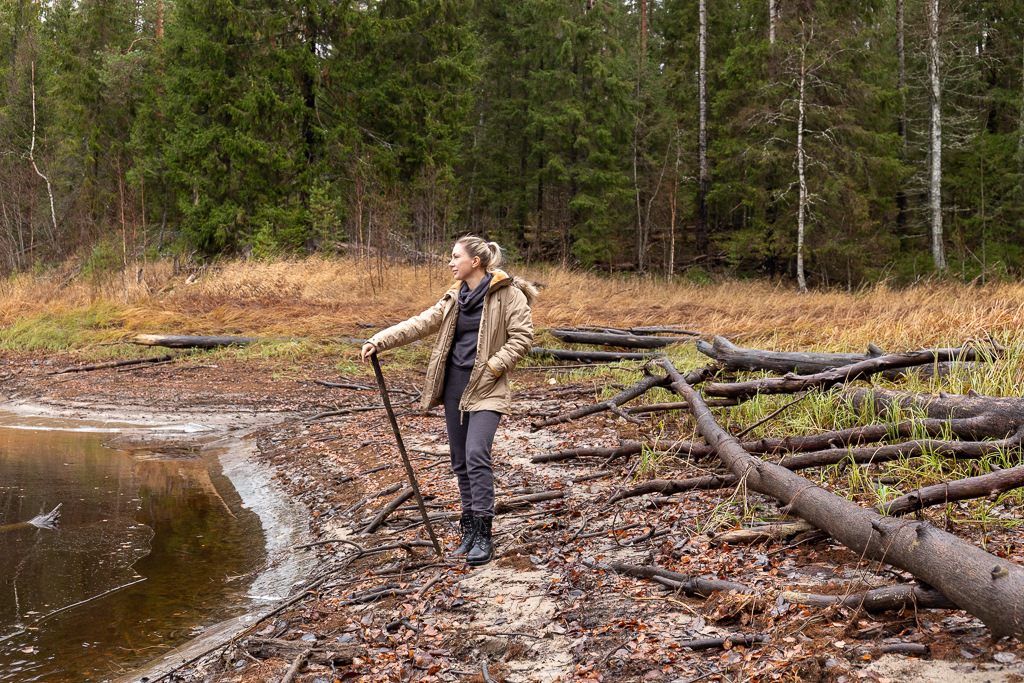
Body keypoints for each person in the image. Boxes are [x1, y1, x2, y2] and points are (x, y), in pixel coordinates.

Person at [361, 236, 536, 566]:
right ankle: (468, 528)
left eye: (456, 257)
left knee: (476, 454)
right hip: (455, 387)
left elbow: (523, 338)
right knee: (460, 461)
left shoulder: (509, 295)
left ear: (476, 262)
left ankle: (484, 532)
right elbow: (420, 323)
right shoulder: (455, 298)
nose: (450, 262)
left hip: (488, 387)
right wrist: (379, 341)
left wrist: (494, 366)